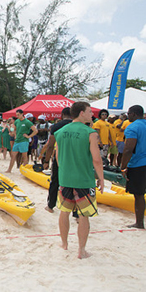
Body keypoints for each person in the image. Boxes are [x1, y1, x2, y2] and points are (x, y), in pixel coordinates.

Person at [54, 101, 104, 259]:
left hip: (65, 178)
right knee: (84, 216)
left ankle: (64, 243)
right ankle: (81, 251)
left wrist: (64, 170)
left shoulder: (60, 132)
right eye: (89, 112)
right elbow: (97, 159)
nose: (92, 114)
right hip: (83, 179)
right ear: (81, 113)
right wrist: (101, 179)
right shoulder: (90, 132)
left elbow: (57, 156)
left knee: (64, 212)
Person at [40, 107, 72, 213]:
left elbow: (50, 145)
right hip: (74, 158)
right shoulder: (78, 126)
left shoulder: (56, 126)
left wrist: (46, 161)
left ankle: (50, 206)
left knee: (55, 182)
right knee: (74, 184)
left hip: (60, 157)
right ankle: (76, 213)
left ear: (62, 115)